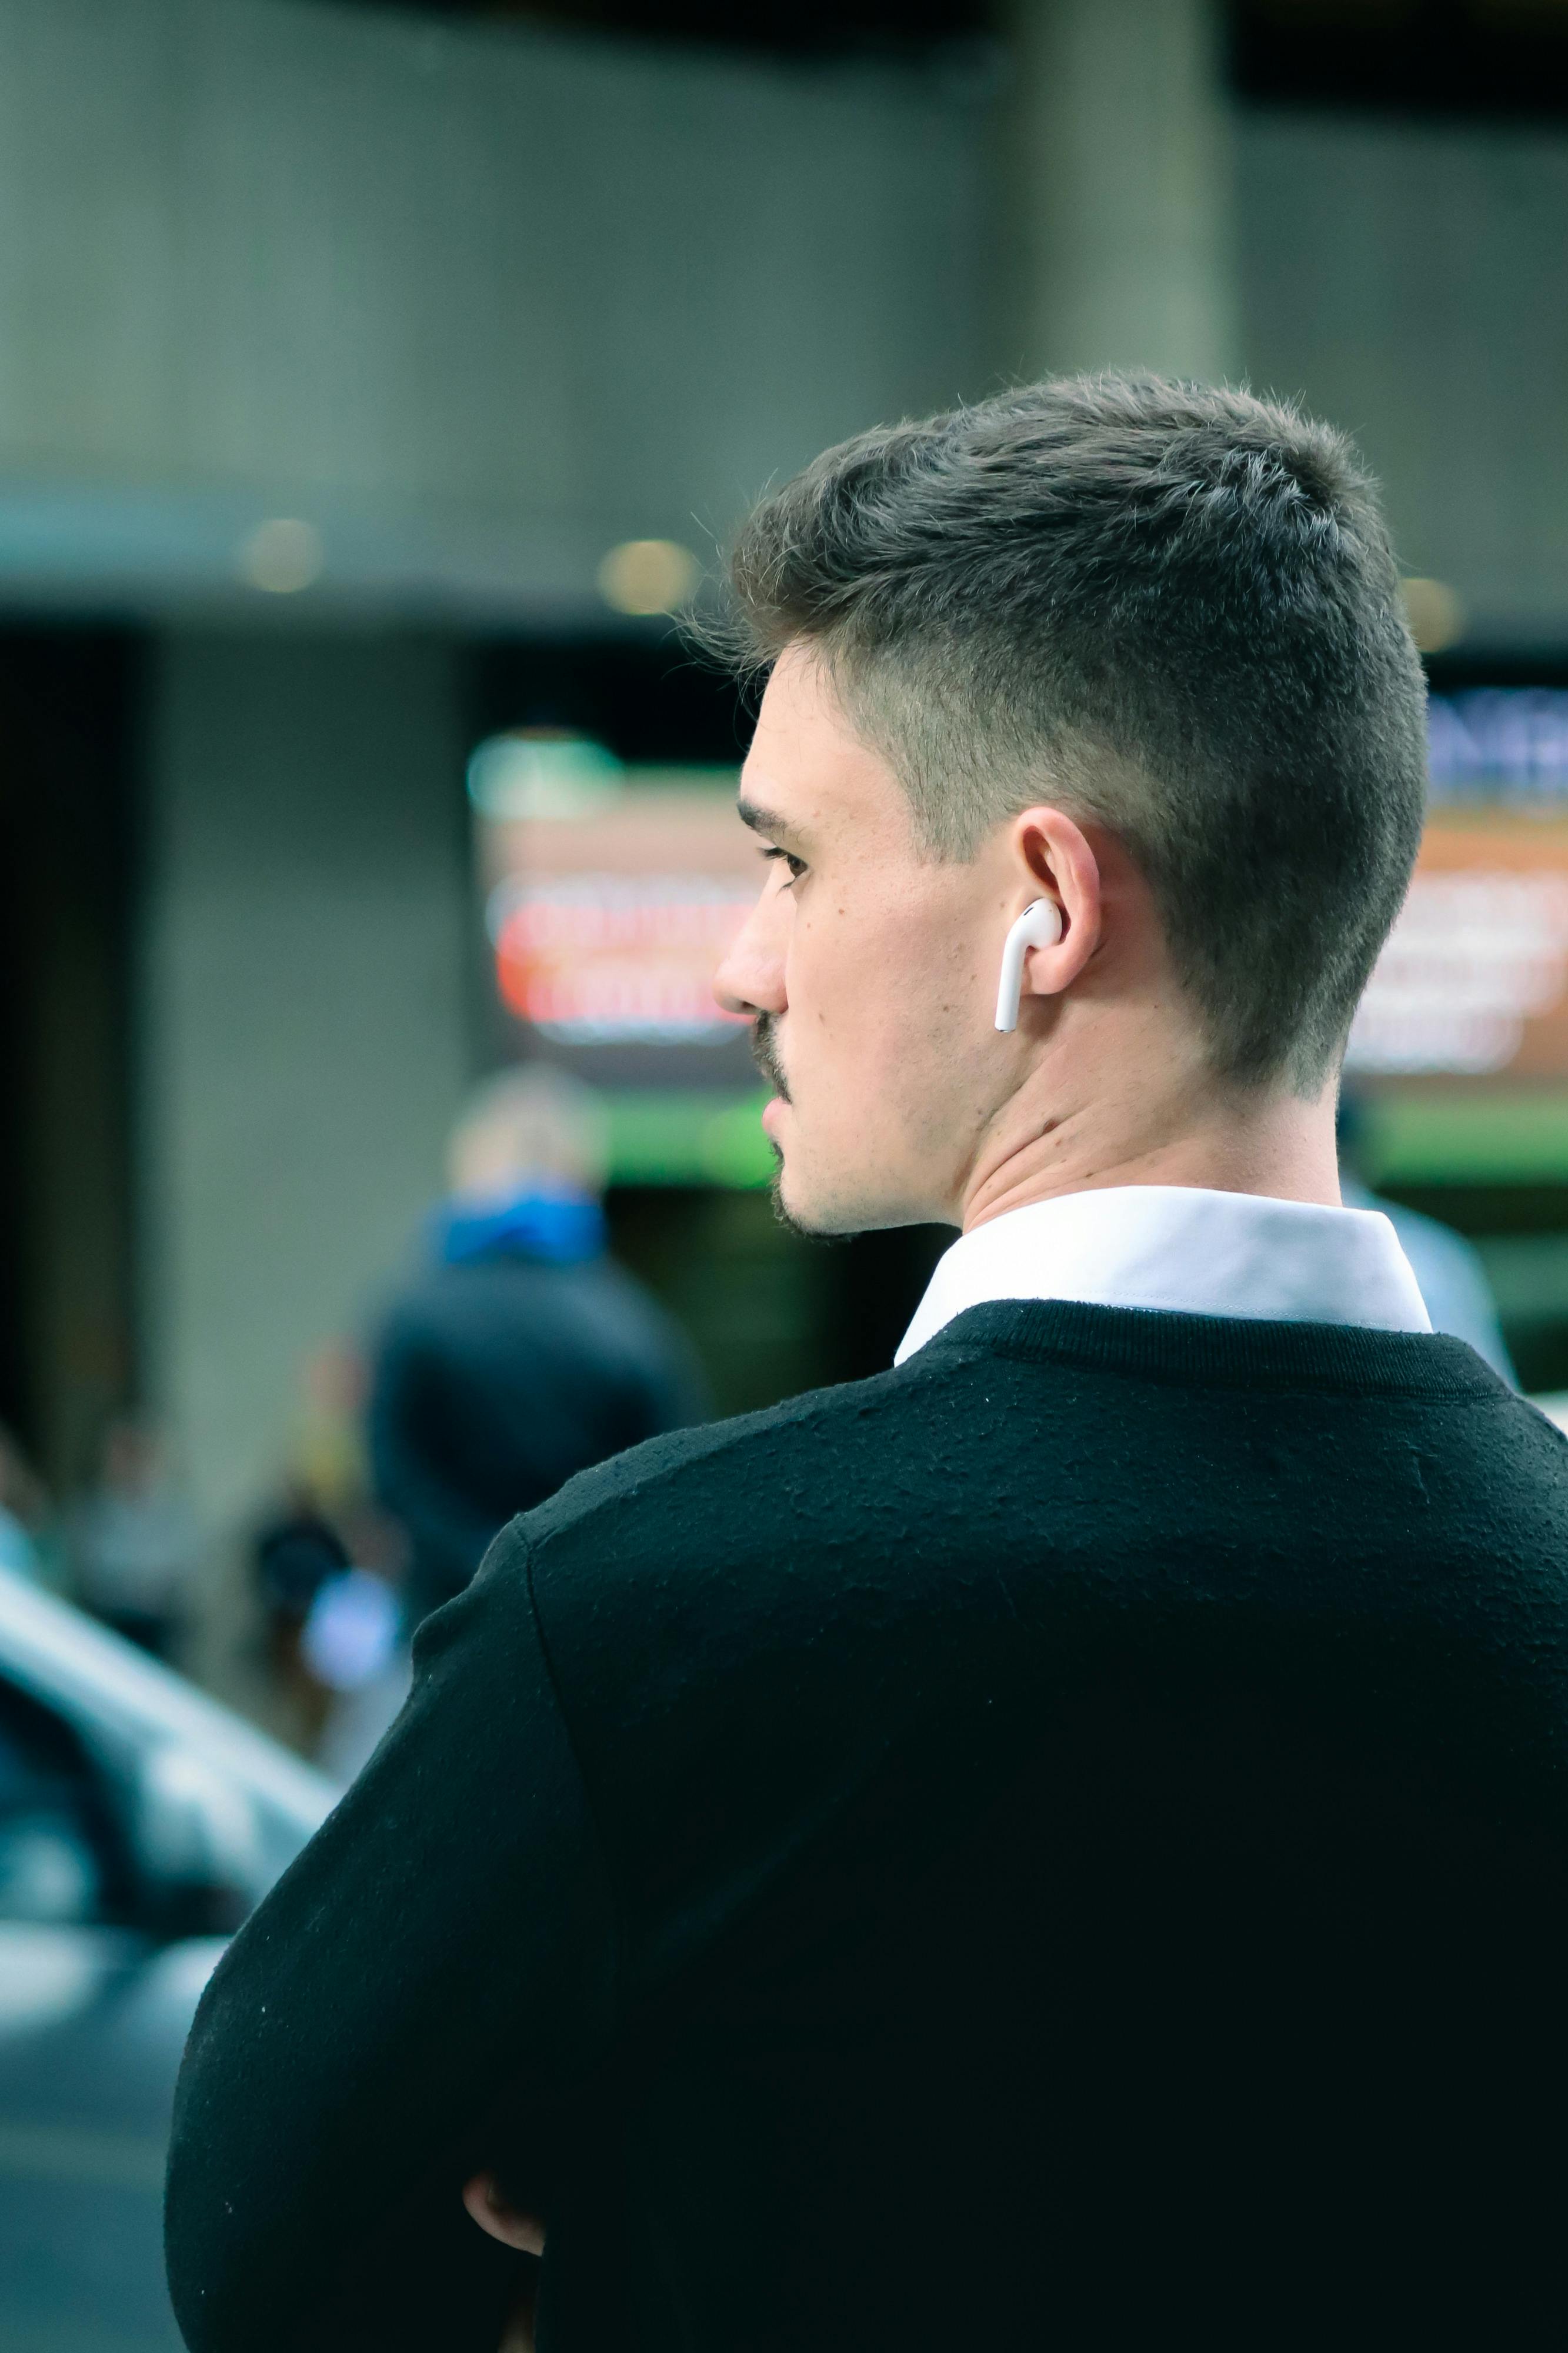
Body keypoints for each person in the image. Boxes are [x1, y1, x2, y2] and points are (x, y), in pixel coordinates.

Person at [165, 378, 1568, 2351]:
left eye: (792, 863)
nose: (742, 962)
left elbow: (273, 2270)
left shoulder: (646, 1630)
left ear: (1045, 912)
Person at [366, 1065, 706, 1629]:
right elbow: (669, 1473)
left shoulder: (413, 1312)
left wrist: (481, 1565)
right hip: (583, 1620)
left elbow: (391, 1476)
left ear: (472, 1170)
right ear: (580, 1175)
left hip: (447, 1623)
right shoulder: (630, 1321)